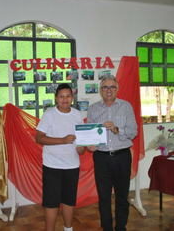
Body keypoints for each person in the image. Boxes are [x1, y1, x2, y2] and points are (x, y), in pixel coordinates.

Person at [86, 74, 137, 231]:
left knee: (122, 196)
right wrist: (90, 145)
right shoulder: (93, 108)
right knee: (104, 198)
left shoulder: (126, 106)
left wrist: (116, 129)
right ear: (101, 90)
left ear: (117, 89)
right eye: (105, 87)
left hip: (122, 157)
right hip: (101, 158)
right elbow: (89, 135)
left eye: (112, 87)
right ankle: (106, 228)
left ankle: (121, 227)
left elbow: (133, 132)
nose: (109, 90)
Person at [35, 83, 85, 231]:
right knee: (51, 203)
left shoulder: (77, 114)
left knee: (69, 201)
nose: (65, 99)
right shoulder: (49, 113)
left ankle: (68, 229)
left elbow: (80, 142)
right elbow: (39, 138)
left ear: (72, 97)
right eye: (61, 96)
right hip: (52, 166)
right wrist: (62, 140)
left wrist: (81, 148)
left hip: (72, 165)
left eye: (68, 96)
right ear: (56, 98)